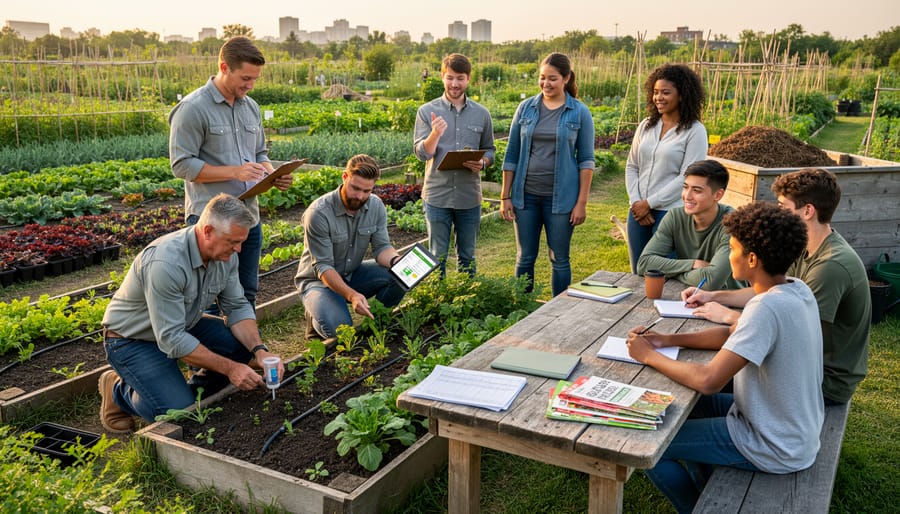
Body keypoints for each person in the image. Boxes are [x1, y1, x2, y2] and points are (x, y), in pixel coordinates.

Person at [626, 202, 823, 513]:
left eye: (732, 247)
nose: (729, 254)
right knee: (681, 407)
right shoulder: (796, 290)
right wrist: (666, 339)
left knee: (647, 446)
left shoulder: (765, 309)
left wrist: (649, 356)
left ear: (753, 258)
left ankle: (698, 507)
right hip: (788, 426)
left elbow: (709, 380)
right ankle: (705, 478)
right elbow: (735, 335)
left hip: (772, 443)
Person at [98, 194, 285, 433]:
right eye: (232, 242)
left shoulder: (225, 255)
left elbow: (236, 305)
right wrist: (230, 369)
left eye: (241, 242)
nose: (239, 249)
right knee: (178, 412)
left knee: (241, 351)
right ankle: (118, 391)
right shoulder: (166, 263)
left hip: (183, 321)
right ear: (207, 231)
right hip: (133, 339)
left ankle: (185, 390)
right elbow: (172, 339)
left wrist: (259, 350)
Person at [683, 168, 870, 405]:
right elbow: (768, 288)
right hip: (801, 367)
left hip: (823, 382)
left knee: (701, 384)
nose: (777, 212)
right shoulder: (807, 246)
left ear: (808, 211)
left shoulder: (829, 267)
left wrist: (731, 317)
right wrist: (714, 296)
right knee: (702, 376)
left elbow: (797, 338)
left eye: (782, 206)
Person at [169, 36, 293, 309]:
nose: (250, 85)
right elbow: (181, 164)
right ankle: (213, 349)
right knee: (209, 295)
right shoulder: (193, 109)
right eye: (245, 78)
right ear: (224, 67)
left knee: (246, 291)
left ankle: (244, 349)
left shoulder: (251, 107)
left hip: (248, 217)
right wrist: (235, 172)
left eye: (255, 79)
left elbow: (260, 152)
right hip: (211, 220)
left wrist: (273, 174)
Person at [500, 52, 595, 296]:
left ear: (566, 78)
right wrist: (504, 196)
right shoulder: (526, 109)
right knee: (525, 257)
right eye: (542, 78)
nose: (546, 84)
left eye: (552, 78)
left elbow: (586, 161)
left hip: (562, 199)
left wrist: (581, 202)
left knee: (560, 257)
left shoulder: (579, 112)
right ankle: (521, 309)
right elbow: (511, 154)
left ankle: (558, 313)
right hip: (525, 196)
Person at [295, 154, 406, 340]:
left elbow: (382, 248)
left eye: (367, 191)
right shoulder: (318, 213)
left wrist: (397, 261)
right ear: (345, 177)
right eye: (355, 188)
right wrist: (352, 295)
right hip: (318, 281)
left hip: (351, 273)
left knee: (399, 277)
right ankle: (315, 318)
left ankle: (375, 324)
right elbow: (323, 267)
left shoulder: (376, 206)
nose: (360, 196)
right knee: (343, 331)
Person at [414, 53, 495, 276]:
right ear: (442, 77)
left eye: (460, 78)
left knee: (467, 255)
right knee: (436, 254)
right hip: (437, 195)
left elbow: (490, 150)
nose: (454, 84)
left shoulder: (482, 114)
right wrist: (435, 134)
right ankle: (437, 303)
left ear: (468, 79)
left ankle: (464, 301)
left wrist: (483, 162)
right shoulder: (426, 112)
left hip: (469, 196)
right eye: (450, 78)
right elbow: (422, 153)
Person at [625, 63, 708, 273]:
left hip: (670, 212)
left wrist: (650, 203)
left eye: (665, 92)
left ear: (681, 95)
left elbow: (688, 177)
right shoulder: (646, 126)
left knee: (664, 274)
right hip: (638, 212)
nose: (658, 97)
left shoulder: (694, 131)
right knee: (638, 272)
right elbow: (632, 166)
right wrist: (637, 203)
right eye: (655, 92)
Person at [636, 159, 742, 290]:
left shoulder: (732, 224)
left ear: (718, 195)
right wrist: (693, 264)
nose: (687, 196)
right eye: (685, 187)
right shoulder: (675, 217)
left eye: (697, 191)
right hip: (690, 296)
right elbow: (643, 264)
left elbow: (711, 281)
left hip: (730, 302)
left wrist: (671, 272)